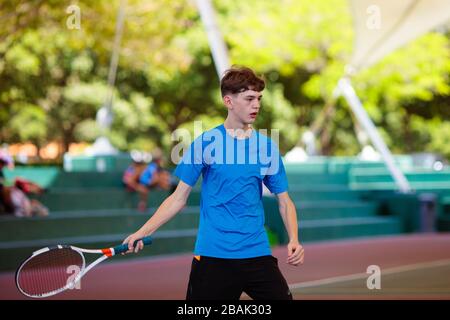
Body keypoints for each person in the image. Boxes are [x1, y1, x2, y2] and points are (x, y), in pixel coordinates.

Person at [122, 66, 304, 300]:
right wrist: (142, 231)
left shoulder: (267, 148)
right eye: (249, 99)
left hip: (257, 254)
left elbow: (285, 201)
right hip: (213, 257)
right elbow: (178, 198)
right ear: (228, 101)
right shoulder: (205, 144)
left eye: (258, 98)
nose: (256, 105)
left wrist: (294, 239)